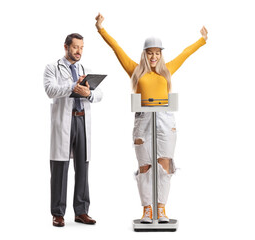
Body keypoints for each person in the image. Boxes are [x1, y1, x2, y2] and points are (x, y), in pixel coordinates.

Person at [95, 13, 208, 223]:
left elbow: (185, 53)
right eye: (150, 53)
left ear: (161, 55)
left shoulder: (167, 71)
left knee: (164, 164)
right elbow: (117, 48)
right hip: (143, 120)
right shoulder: (136, 71)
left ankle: (161, 209)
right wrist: (101, 28)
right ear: (144, 55)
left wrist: (202, 40)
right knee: (145, 165)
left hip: (165, 120)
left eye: (157, 53)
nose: (154, 57)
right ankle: (147, 209)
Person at [44, 33, 103, 227]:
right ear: (66, 47)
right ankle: (58, 213)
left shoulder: (85, 69)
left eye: (81, 47)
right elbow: (50, 89)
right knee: (60, 168)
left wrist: (89, 92)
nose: (79, 51)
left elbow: (99, 93)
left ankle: (81, 211)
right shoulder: (52, 68)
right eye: (75, 47)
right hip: (64, 121)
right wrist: (73, 86)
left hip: (82, 121)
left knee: (82, 167)